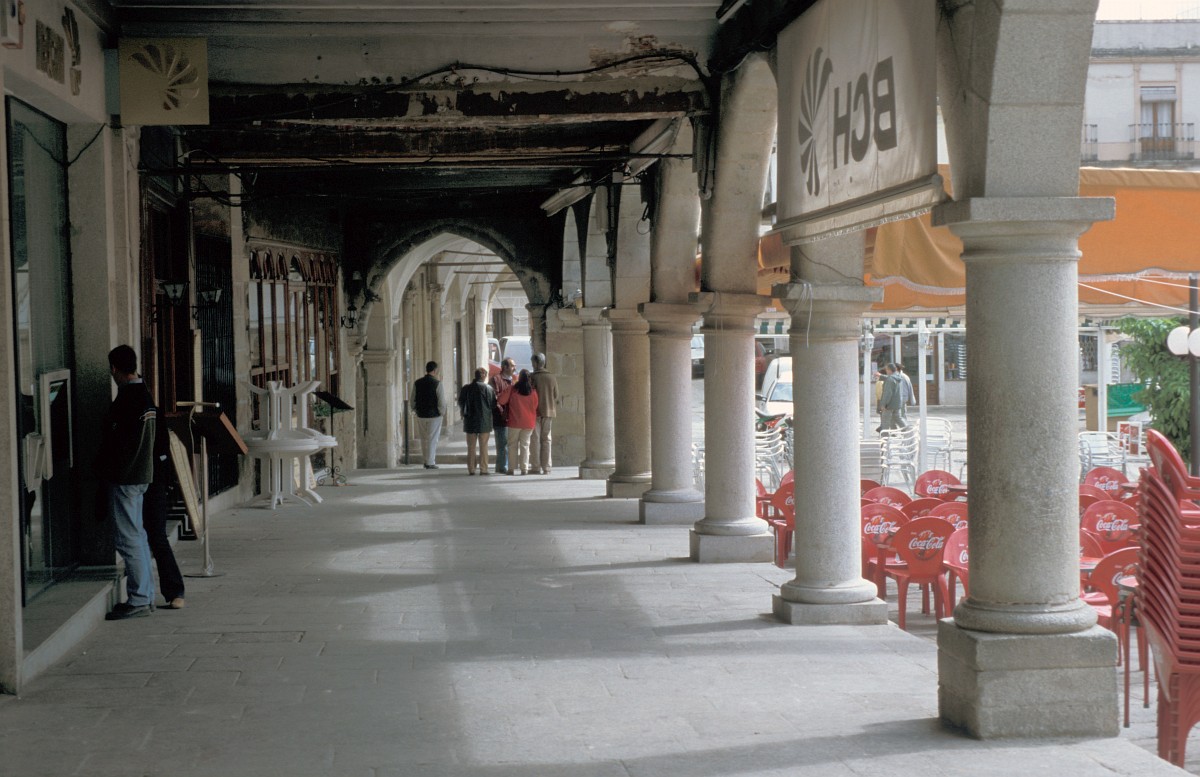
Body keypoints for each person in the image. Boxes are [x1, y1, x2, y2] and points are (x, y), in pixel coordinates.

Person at [96, 345, 157, 620]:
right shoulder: (144, 394)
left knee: (128, 538)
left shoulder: (126, 399)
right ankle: (146, 594)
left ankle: (140, 598)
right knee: (138, 536)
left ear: (114, 368)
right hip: (141, 475)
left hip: (126, 477)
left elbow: (116, 443)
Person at [143, 422, 185, 609]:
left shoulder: (152, 415)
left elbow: (161, 448)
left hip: (152, 480)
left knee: (157, 536)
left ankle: (174, 590)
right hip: (137, 479)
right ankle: (144, 592)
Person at [459, 367, 496, 475]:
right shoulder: (489, 389)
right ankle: (483, 469)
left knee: (471, 446)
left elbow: (461, 402)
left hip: (470, 421)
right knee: (484, 446)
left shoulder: (466, 388)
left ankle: (471, 469)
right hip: (484, 421)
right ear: (484, 376)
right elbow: (493, 404)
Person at [528, 352, 560, 475]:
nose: (532, 365)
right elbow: (556, 395)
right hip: (549, 411)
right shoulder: (552, 377)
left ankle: (536, 466)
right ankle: (547, 467)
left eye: (533, 363)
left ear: (536, 363)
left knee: (535, 439)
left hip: (535, 412)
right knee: (547, 439)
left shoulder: (532, 377)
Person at [502, 369, 539, 475]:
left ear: (519, 378)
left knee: (512, 445)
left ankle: (511, 469)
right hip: (528, 422)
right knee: (525, 445)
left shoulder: (512, 389)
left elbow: (502, 400)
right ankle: (524, 468)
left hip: (514, 422)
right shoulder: (533, 392)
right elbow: (535, 406)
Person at [412, 361, 447, 469]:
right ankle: (430, 462)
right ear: (435, 370)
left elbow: (413, 399)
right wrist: (442, 413)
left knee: (423, 438)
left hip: (421, 414)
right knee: (432, 439)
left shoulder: (417, 383)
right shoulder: (437, 383)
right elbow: (441, 401)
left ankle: (425, 460)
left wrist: (415, 409)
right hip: (434, 415)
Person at [490, 358, 516, 474]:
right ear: (505, 367)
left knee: (508, 443)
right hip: (500, 418)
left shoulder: (513, 381)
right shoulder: (496, 380)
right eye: (512, 366)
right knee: (502, 444)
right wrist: (502, 411)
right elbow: (494, 398)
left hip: (512, 417)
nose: (514, 368)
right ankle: (502, 467)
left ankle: (503, 465)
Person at [879, 364, 906, 432]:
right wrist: (880, 376)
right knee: (898, 419)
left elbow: (887, 393)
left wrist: (883, 404)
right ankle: (908, 432)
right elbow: (889, 378)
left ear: (889, 370)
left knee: (885, 422)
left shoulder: (890, 379)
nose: (886, 371)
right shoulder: (898, 377)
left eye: (886, 369)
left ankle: (884, 437)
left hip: (889, 405)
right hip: (897, 404)